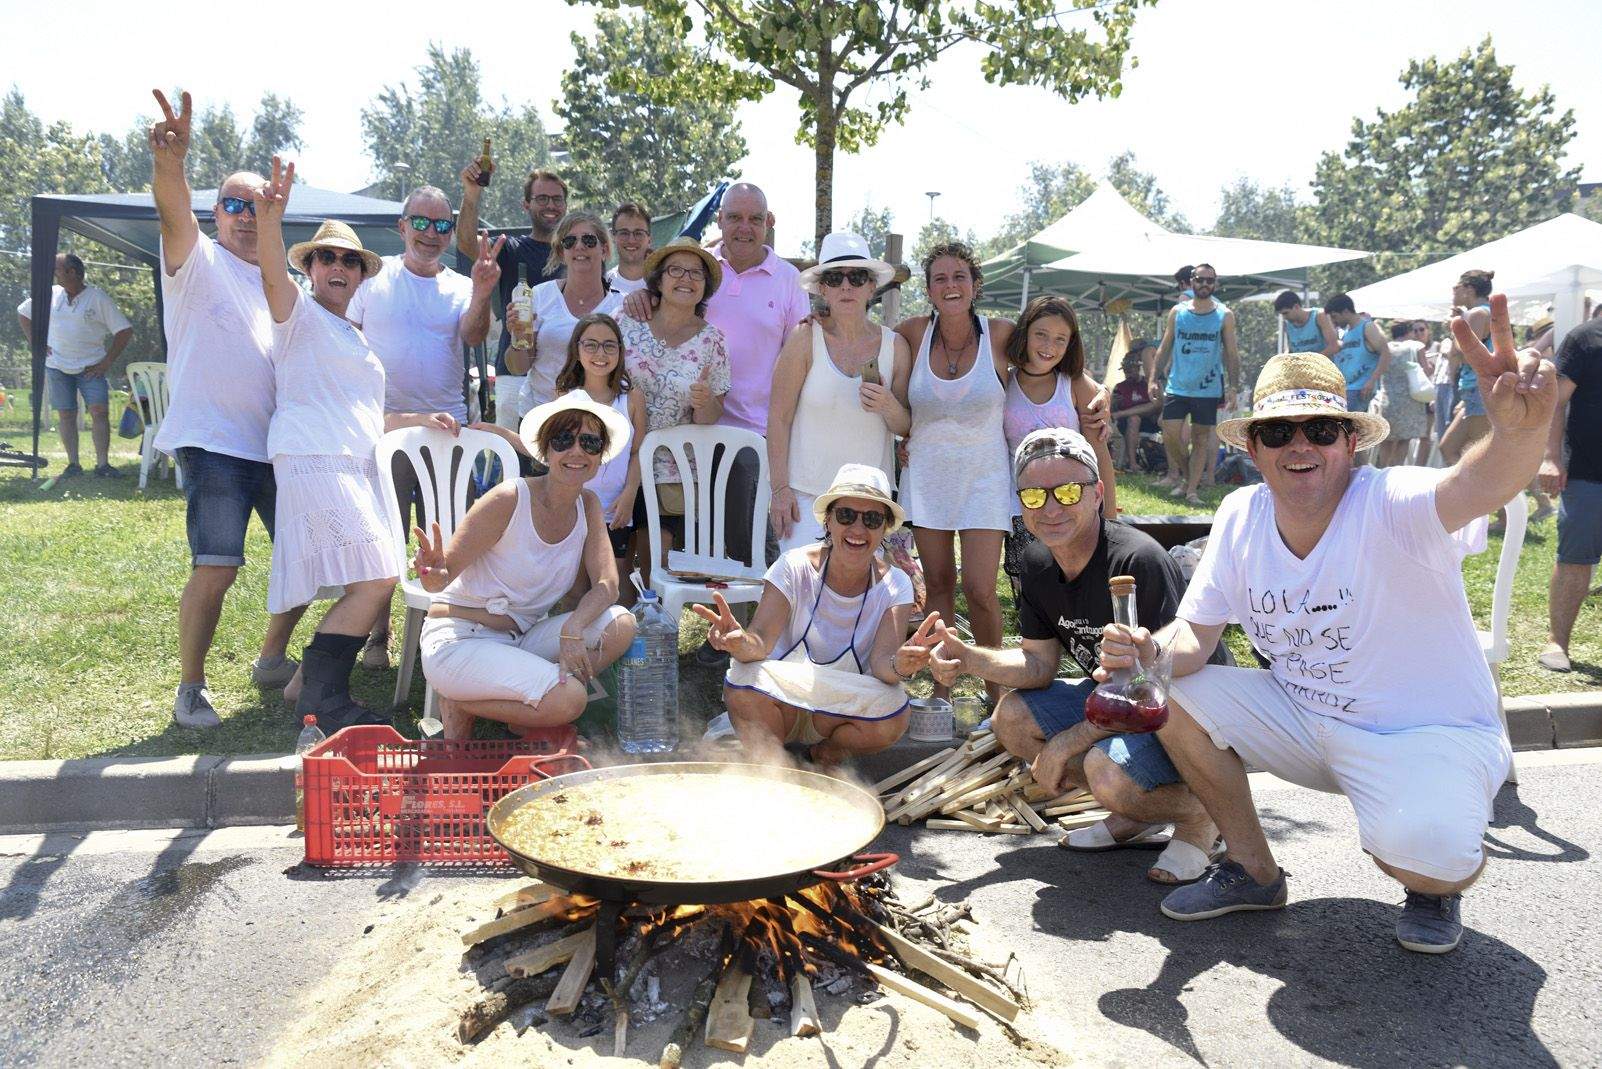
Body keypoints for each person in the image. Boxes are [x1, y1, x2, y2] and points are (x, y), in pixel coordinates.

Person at [1095, 305, 1555, 953]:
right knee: (1167, 691)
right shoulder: (1239, 514)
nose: (1300, 444)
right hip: (1306, 719)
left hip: (1425, 731)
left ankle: (1432, 881)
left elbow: (1477, 484)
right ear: (1252, 448)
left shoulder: (1391, 500)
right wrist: (1150, 654)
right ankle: (1253, 870)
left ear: (1350, 441)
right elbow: (1193, 640)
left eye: (1320, 428)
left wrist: (1517, 435)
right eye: (1279, 432)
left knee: (1427, 854)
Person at [902, 429, 1227, 883]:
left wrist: (1067, 742)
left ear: (1097, 494)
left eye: (1068, 491)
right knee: (1009, 719)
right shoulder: (1036, 563)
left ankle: (1202, 816)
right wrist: (968, 657)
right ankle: (1137, 814)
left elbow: (1158, 687)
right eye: (1034, 496)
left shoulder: (1138, 561)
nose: (1051, 508)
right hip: (1121, 699)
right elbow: (1038, 665)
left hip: (1190, 711)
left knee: (1104, 769)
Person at [252, 158, 466, 733]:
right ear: (312, 268)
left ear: (361, 273)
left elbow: (370, 414)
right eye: (327, 257)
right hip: (314, 459)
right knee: (376, 577)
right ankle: (323, 699)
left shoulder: (352, 332)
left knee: (372, 575)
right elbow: (273, 275)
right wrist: (271, 222)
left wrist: (423, 417)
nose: (339, 266)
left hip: (352, 460)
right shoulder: (296, 314)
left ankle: (305, 687)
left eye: (350, 259)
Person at [146, 89, 303, 727]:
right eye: (233, 204)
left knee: (307, 561)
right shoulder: (195, 260)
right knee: (218, 567)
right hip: (214, 444)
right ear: (215, 214)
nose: (244, 215)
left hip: (276, 444)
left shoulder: (279, 279)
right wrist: (171, 163)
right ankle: (190, 687)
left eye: (256, 204)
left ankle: (271, 659)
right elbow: (171, 211)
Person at [416, 391, 637, 739]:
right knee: (571, 701)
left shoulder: (588, 504)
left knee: (620, 623)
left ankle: (527, 713)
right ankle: (463, 701)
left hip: (521, 637)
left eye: (590, 442)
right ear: (547, 451)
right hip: (460, 640)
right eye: (564, 439)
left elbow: (608, 585)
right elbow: (439, 580)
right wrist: (431, 570)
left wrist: (574, 626)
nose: (576, 451)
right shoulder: (509, 498)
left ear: (600, 455)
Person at [344, 185, 502, 672]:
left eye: (442, 226)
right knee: (382, 535)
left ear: (451, 232)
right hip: (381, 430)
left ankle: (442, 630)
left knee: (446, 535)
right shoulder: (371, 278)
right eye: (421, 222)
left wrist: (481, 292)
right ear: (402, 226)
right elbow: (344, 340)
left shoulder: (459, 283)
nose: (430, 234)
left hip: (445, 432)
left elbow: (475, 336)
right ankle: (378, 634)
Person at [623, 183, 810, 568]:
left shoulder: (788, 279)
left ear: (768, 223)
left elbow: (801, 355)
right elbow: (655, 301)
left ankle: (756, 626)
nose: (744, 227)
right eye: (735, 217)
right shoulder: (696, 267)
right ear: (720, 220)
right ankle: (676, 618)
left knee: (750, 548)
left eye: (754, 219)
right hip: (681, 437)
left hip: (751, 436)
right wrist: (636, 296)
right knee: (683, 552)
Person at [698, 463, 916, 765]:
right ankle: (778, 771)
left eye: (872, 519)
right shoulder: (793, 566)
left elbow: (883, 666)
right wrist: (739, 642)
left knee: (895, 708)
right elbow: (759, 640)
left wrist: (902, 665)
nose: (857, 529)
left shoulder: (896, 584)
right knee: (742, 679)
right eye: (846, 515)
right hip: (780, 701)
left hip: (839, 709)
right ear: (828, 521)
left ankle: (823, 756)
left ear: (884, 528)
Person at [892, 242, 1015, 706]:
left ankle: (997, 694)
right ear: (927, 289)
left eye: (959, 276)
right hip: (925, 474)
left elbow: (1057, 358)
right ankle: (942, 693)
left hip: (985, 476)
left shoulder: (1001, 334)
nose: (950, 286)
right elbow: (861, 346)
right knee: (938, 585)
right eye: (940, 278)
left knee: (981, 589)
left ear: (975, 284)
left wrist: (1095, 392)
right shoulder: (910, 333)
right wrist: (815, 319)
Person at [768, 232, 910, 552]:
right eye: (835, 278)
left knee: (864, 600)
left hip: (871, 503)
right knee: (803, 595)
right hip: (806, 497)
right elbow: (778, 418)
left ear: (872, 287)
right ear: (823, 288)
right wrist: (779, 490)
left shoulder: (896, 346)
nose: (846, 286)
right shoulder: (804, 337)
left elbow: (905, 427)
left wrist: (888, 405)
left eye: (857, 277)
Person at [619, 238, 731, 571]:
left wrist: (705, 401)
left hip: (672, 470)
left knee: (658, 567)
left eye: (696, 273)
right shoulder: (626, 322)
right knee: (619, 565)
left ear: (705, 286)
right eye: (676, 270)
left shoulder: (714, 340)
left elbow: (710, 416)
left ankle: (656, 624)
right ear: (660, 280)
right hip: (619, 462)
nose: (686, 279)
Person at [999, 296, 1117, 594]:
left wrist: (1112, 519)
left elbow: (1100, 454)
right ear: (1024, 332)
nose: (1049, 346)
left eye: (1060, 339)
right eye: (1041, 334)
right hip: (1024, 506)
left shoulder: (1075, 384)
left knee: (1080, 583)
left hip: (1073, 503)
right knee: (1031, 589)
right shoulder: (1002, 381)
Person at [457, 162, 569, 428]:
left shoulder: (580, 253)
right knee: (515, 465)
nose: (550, 205)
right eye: (541, 198)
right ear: (526, 205)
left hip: (567, 380)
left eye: (557, 199)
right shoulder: (511, 249)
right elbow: (466, 244)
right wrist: (472, 194)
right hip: (515, 376)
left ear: (565, 206)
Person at [550, 314, 647, 585]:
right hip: (574, 505)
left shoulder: (632, 398)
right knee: (576, 586)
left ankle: (621, 628)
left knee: (616, 586)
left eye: (609, 345)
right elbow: (556, 453)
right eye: (590, 345)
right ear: (577, 349)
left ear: (620, 351)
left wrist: (629, 495)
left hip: (616, 508)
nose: (600, 353)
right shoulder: (564, 397)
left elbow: (638, 452)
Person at [16, 252, 133, 478]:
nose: (53, 274)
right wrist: (36, 345)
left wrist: (106, 362)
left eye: (57, 270)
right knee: (66, 415)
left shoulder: (97, 298)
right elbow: (23, 313)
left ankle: (102, 465)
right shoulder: (51, 293)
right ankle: (73, 465)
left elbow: (124, 331)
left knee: (99, 413)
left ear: (72, 272)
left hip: (91, 367)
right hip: (56, 366)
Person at [512, 211, 625, 418]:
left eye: (589, 240)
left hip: (600, 422)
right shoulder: (538, 296)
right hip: (541, 418)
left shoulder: (623, 305)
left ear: (605, 250)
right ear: (561, 252)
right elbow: (518, 367)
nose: (579, 246)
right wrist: (518, 338)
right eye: (570, 241)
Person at [1538, 311, 1601, 672]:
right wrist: (1550, 458)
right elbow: (1555, 401)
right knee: (1576, 559)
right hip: (1589, 473)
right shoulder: (1586, 338)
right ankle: (1557, 642)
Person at [1152, 264, 1240, 506]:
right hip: (1177, 385)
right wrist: (1152, 378)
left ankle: (1191, 490)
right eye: (1200, 279)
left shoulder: (1225, 315)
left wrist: (1233, 386)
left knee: (1200, 440)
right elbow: (1164, 347)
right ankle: (1188, 475)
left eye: (1209, 280)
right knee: (1169, 433)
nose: (1204, 284)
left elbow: (1232, 353)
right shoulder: (1177, 312)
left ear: (1216, 283)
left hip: (1208, 388)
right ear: (1192, 281)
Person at [1438, 270, 1495, 466]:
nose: (1453, 292)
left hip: (1478, 388)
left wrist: (1455, 328)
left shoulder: (1478, 313)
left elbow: (1468, 353)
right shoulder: (1479, 312)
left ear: (1469, 289)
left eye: (1456, 287)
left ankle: (1481, 495)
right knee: (1455, 449)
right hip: (1473, 389)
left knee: (1478, 455)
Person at [1373, 320, 1431, 467]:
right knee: (1404, 439)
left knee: (1387, 440)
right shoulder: (1416, 346)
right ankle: (1397, 468)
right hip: (1410, 401)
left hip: (1388, 400)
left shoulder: (1386, 348)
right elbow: (1427, 369)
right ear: (1409, 332)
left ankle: (1383, 469)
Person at [1324, 293, 1391, 416]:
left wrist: (1371, 381)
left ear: (1345, 311)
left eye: (1334, 316)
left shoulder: (1367, 327)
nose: (1334, 321)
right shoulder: (1346, 333)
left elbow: (1386, 354)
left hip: (1361, 389)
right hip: (1347, 389)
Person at [1111, 345, 1162, 472]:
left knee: (1153, 406)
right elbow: (1112, 412)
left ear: (1138, 368)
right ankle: (1133, 463)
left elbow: (1156, 405)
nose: (1128, 373)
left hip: (1150, 420)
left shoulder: (1148, 384)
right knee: (1134, 419)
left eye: (1130, 369)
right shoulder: (1120, 387)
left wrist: (1122, 413)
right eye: (1125, 370)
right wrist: (1114, 404)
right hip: (1127, 423)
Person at [1273, 290, 1340, 357]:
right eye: (1282, 314)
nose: (1284, 317)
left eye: (1286, 313)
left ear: (1296, 307)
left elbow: (1334, 347)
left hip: (1323, 365)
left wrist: (1310, 361)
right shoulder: (1287, 324)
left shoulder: (1319, 316)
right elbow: (1291, 350)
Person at [607, 203, 651, 297]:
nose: (631, 240)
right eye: (624, 233)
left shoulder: (662, 285)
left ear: (649, 239)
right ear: (613, 237)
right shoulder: (603, 285)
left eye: (638, 233)